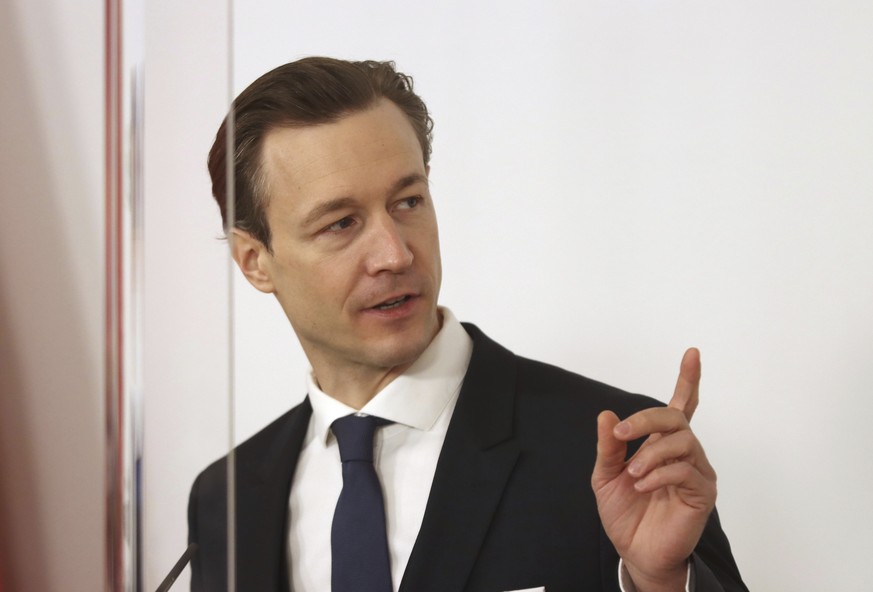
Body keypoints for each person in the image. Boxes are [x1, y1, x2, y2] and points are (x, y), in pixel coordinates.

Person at [188, 57, 748, 592]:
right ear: (256, 262)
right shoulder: (227, 498)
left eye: (408, 201)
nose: (395, 254)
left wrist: (661, 583)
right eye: (341, 223)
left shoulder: (613, 450)